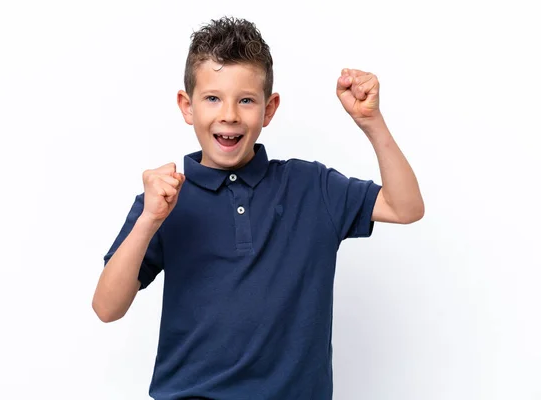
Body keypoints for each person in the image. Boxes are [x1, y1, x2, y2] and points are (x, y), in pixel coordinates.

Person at [92, 16, 424, 400]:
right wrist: (149, 220)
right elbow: (106, 307)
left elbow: (406, 207)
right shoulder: (163, 200)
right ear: (187, 106)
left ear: (269, 109)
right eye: (212, 98)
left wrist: (371, 122)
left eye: (246, 100)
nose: (229, 114)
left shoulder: (312, 187)